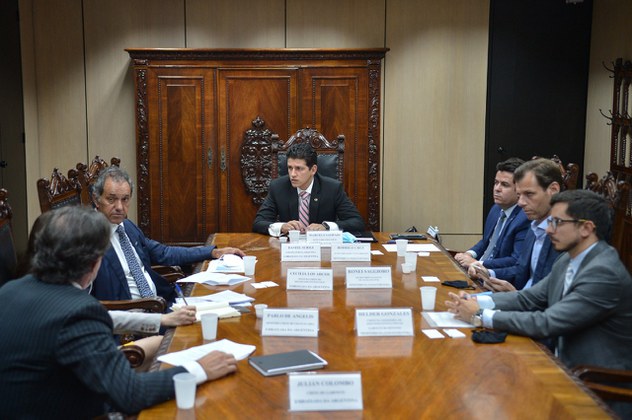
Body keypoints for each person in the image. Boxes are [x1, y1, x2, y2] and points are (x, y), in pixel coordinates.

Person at [0, 206, 238, 417]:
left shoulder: (10, 291)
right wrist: (199, 369)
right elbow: (130, 395)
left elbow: (90, 319)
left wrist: (161, 320)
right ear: (94, 263)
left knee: (156, 344)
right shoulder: (77, 312)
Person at [446, 189, 632, 418]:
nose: (549, 229)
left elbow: (548, 321)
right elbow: (529, 298)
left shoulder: (603, 272)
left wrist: (480, 315)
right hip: (561, 368)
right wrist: (473, 300)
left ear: (586, 228)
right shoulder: (568, 258)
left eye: (557, 222)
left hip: (596, 389)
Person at [90, 166, 245, 304]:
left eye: (125, 199)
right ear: (97, 200)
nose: (119, 207)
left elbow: (164, 253)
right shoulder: (90, 239)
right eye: (111, 199)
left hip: (162, 303)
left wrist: (212, 252)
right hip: (135, 319)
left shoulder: (127, 227)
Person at [469, 158, 562, 291]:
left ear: (553, 190)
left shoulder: (565, 234)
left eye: (529, 194)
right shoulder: (535, 226)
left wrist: (515, 295)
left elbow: (548, 295)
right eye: (519, 195)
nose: (521, 203)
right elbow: (521, 269)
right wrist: (489, 273)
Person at [252, 143, 365, 236]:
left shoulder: (332, 188)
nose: (293, 174)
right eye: (290, 168)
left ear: (313, 170)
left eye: (299, 168)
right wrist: (282, 227)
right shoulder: (278, 187)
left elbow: (357, 222)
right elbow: (258, 223)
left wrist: (326, 227)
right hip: (289, 249)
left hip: (323, 251)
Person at [454, 157, 529, 270]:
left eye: (504, 184)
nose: (497, 189)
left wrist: (478, 264)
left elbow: (515, 260)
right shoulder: (496, 209)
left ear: (519, 189)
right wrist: (469, 254)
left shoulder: (524, 217)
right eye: (496, 183)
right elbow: (486, 242)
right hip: (477, 270)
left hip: (495, 276)